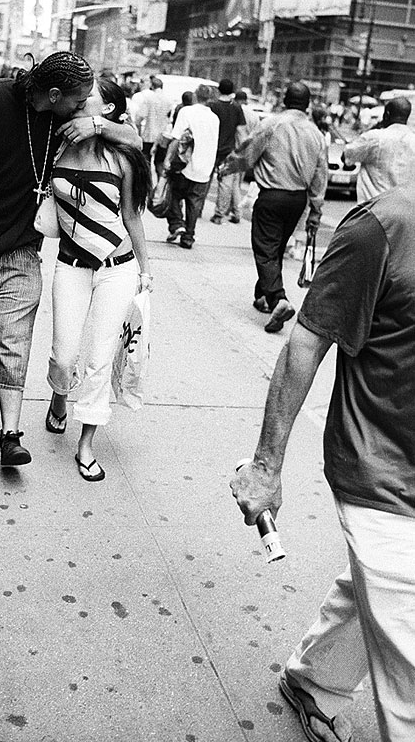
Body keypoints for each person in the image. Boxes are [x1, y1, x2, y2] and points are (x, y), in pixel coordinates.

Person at [230, 182, 415, 742]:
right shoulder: (383, 228)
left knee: (373, 597)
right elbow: (306, 342)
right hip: (384, 474)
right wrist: (266, 467)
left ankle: (314, 682)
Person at [0, 52, 140, 469]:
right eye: (78, 100)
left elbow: (133, 140)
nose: (82, 106)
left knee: (12, 338)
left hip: (20, 245)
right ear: (53, 94)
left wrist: (97, 124)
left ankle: (11, 435)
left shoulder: (68, 121)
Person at [45, 79, 153, 482]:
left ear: (106, 110)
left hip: (117, 267)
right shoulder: (57, 144)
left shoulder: (121, 157)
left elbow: (131, 216)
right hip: (71, 264)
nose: (78, 99)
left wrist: (145, 269)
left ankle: (86, 444)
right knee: (64, 355)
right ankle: (59, 395)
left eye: (88, 96)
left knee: (100, 358)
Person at [219, 83, 327, 332]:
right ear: (308, 105)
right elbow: (321, 175)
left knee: (265, 248)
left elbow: (247, 154)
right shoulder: (316, 134)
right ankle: (263, 296)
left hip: (272, 196)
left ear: (285, 100)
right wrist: (316, 210)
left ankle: (278, 299)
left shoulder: (272, 124)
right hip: (298, 200)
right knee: (275, 247)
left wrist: (226, 168)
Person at [165, 84, 219, 249]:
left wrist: (168, 159)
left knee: (173, 195)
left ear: (195, 95)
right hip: (205, 167)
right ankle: (188, 237)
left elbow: (176, 138)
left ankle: (177, 224)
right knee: (194, 203)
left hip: (184, 164)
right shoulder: (214, 118)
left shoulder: (186, 111)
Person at [342, 96, 415, 204]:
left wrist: (374, 128)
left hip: (374, 208)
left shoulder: (374, 137)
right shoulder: (413, 140)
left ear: (387, 114)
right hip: (405, 209)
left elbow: (346, 156)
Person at [209, 79, 246, 224]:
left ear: (219, 89)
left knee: (205, 180)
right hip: (228, 151)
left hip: (211, 149)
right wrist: (240, 151)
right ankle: (219, 214)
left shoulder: (212, 105)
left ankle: (196, 209)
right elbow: (241, 131)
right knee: (225, 184)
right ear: (232, 91)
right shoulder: (236, 107)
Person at [153, 90, 194, 178]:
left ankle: (160, 178)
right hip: (179, 142)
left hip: (168, 136)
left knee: (160, 161)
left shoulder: (177, 108)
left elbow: (168, 122)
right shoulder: (191, 113)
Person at [132, 76, 174, 164]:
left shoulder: (149, 99)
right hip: (163, 136)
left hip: (149, 135)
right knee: (159, 162)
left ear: (152, 86)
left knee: (146, 162)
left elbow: (139, 117)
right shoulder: (169, 100)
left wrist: (138, 133)